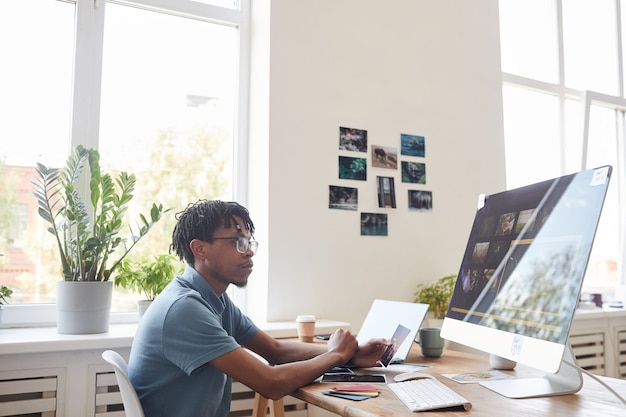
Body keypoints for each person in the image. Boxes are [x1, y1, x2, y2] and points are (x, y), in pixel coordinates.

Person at [127, 200, 389, 417]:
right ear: (200, 248)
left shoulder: (212, 299)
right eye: (237, 242)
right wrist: (336, 356)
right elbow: (271, 383)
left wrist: (351, 354)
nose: (249, 252)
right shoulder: (184, 309)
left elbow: (276, 350)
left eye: (249, 243)